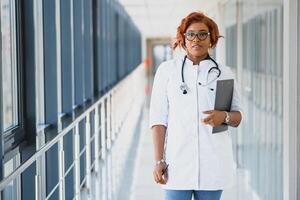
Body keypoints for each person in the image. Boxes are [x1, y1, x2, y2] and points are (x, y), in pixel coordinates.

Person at [149, 11, 243, 200]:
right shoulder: (167, 71)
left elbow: (237, 116)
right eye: (190, 34)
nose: (196, 39)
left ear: (212, 39)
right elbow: (158, 119)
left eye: (202, 34)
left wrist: (222, 117)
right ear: (183, 39)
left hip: (213, 164)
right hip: (177, 163)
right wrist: (159, 160)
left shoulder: (223, 73)